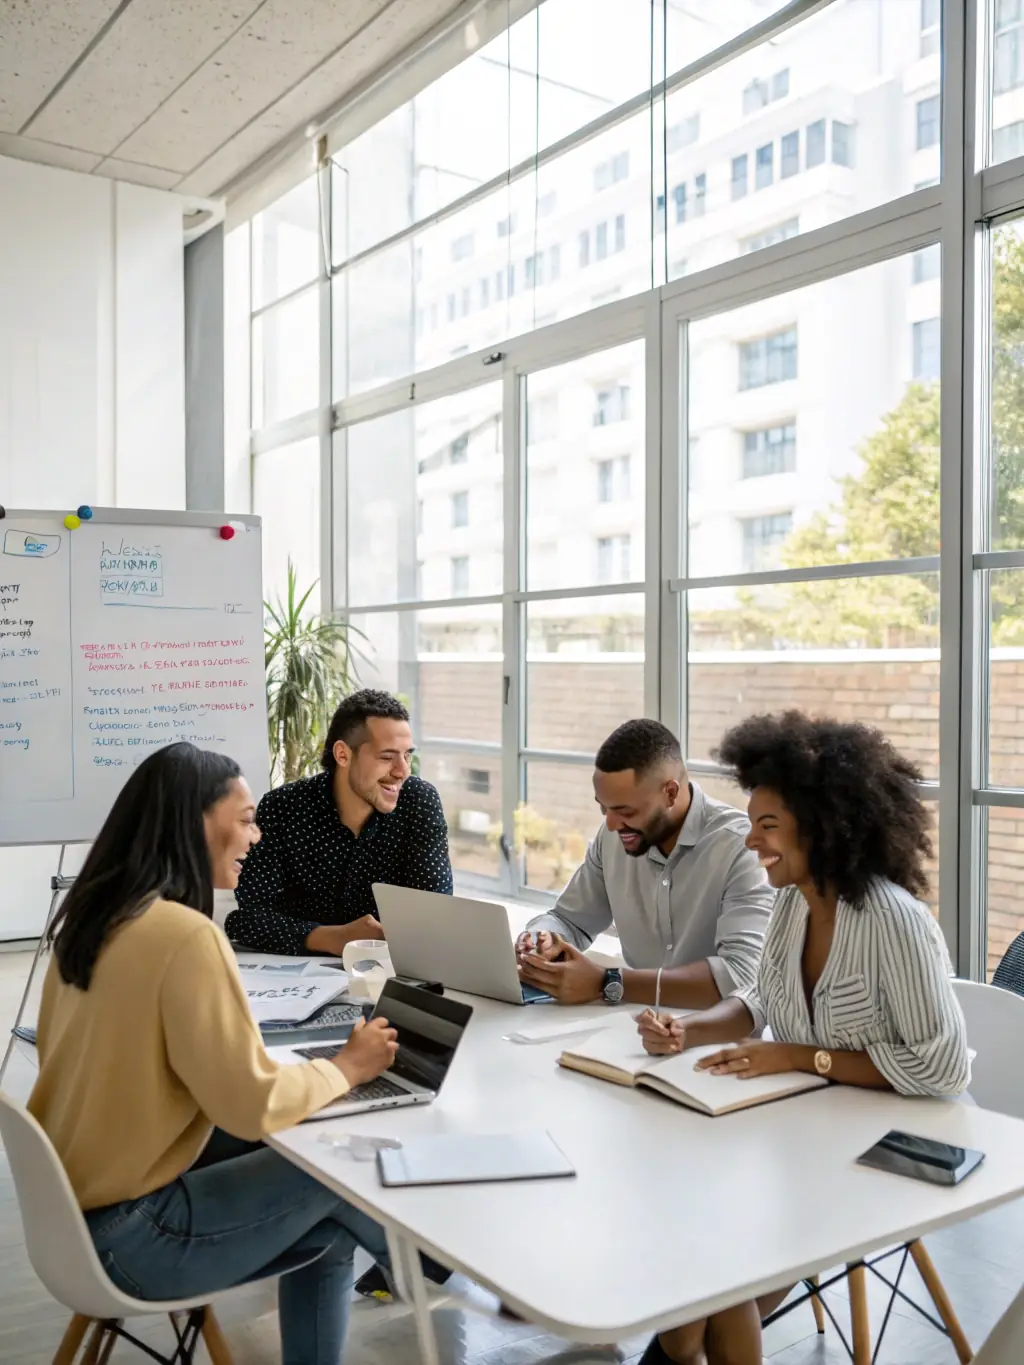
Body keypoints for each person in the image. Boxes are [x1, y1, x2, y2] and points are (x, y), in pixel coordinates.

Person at [28, 742, 401, 1365]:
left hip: (71, 1219)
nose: (255, 836)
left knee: (325, 1201)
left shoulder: (95, 919)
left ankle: (436, 1263)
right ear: (197, 822)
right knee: (339, 1171)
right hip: (137, 1240)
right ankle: (453, 1266)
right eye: (247, 817)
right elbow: (251, 1106)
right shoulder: (183, 934)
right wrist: (346, 1067)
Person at [634, 712, 970, 1365]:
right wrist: (689, 1030)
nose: (751, 841)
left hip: (904, 1150)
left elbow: (943, 1067)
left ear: (818, 826)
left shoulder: (892, 919)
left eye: (767, 826)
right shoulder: (791, 901)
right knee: (698, 1286)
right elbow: (765, 999)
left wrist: (799, 1056)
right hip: (816, 1133)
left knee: (718, 1265)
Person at [516, 719, 773, 1009]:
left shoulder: (742, 848)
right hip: (633, 1025)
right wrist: (543, 940)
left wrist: (607, 982)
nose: (611, 825)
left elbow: (743, 976)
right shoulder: (615, 836)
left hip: (715, 1036)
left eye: (625, 811)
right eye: (604, 808)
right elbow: (570, 920)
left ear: (671, 793)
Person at [225, 689, 453, 957]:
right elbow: (246, 919)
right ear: (343, 755)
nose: (402, 771)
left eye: (406, 755)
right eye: (387, 757)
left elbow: (436, 913)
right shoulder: (283, 808)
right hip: (298, 982)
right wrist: (331, 938)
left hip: (390, 971)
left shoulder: (419, 802)